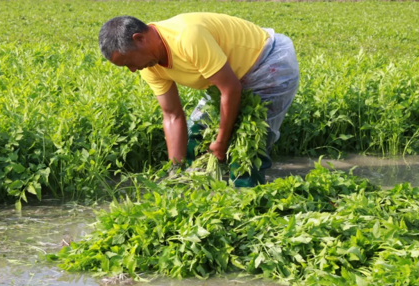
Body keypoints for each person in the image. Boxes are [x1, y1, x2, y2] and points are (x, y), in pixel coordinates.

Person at [98, 13, 299, 186]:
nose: (132, 69)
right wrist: (175, 170)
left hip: (268, 62)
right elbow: (172, 115)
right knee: (197, 137)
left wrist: (221, 142)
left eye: (129, 63)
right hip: (228, 77)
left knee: (248, 148)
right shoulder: (148, 65)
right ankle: (201, 193)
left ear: (139, 39)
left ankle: (246, 201)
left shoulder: (187, 37)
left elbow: (230, 89)